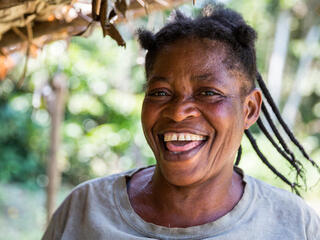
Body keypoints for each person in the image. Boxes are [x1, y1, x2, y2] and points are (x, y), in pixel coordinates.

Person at [42, 4, 320, 240]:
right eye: (160, 93)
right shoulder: (84, 211)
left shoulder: (294, 226)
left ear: (249, 110)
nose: (178, 112)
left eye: (208, 93)